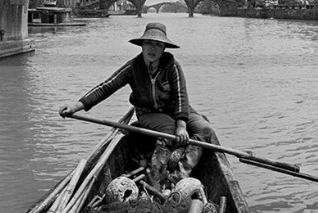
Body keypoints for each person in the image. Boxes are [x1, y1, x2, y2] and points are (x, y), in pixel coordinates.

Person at [59, 22, 214, 187]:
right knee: (169, 129)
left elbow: (181, 96)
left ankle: (180, 174)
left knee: (205, 129)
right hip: (148, 113)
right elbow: (106, 87)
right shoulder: (133, 67)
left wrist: (182, 126)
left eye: (158, 44)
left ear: (163, 48)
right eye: (149, 43)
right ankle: (155, 178)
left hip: (174, 109)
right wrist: (76, 106)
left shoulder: (172, 67)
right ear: (142, 46)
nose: (152, 48)